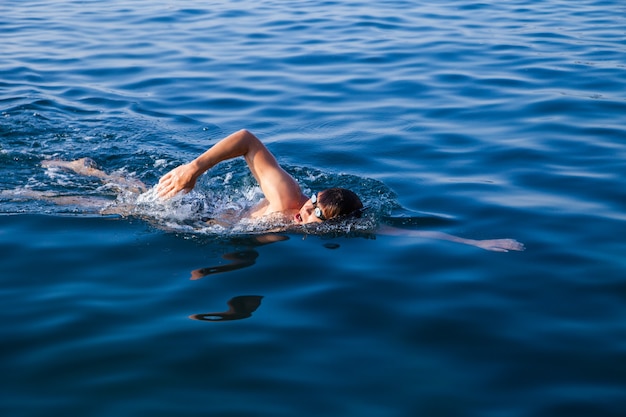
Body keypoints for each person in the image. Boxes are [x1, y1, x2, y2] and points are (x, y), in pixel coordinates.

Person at [156, 129, 363, 224]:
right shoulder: (286, 198)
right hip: (199, 211)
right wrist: (193, 169)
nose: (307, 208)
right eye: (314, 200)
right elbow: (246, 140)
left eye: (317, 212)